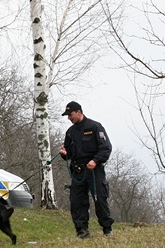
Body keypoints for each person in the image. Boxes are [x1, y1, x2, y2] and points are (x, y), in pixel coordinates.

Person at [59, 101, 114, 239]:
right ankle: (82, 231)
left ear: (79, 112)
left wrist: (95, 160)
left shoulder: (95, 127)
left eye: (70, 115)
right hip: (78, 172)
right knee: (77, 202)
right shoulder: (70, 132)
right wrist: (64, 154)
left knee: (100, 199)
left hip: (94, 171)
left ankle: (107, 229)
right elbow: (68, 153)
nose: (69, 118)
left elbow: (106, 148)